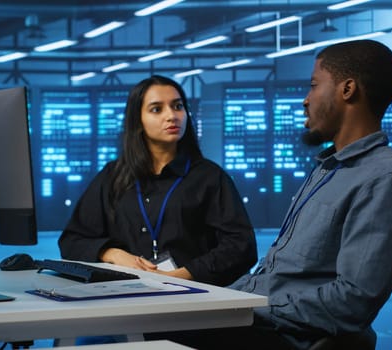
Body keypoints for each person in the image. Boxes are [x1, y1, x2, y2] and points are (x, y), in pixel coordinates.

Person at [146, 40, 392, 349]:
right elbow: (279, 274)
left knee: (147, 332)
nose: (305, 100)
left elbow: (352, 302)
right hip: (259, 317)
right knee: (145, 321)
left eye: (313, 85)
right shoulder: (328, 169)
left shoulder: (384, 181)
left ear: (347, 89)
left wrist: (246, 308)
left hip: (286, 336)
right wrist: (222, 299)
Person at [58, 74, 257, 287]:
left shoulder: (209, 177)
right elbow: (72, 241)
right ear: (138, 120)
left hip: (191, 297)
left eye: (178, 106)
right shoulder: (113, 176)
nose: (172, 116)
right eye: (156, 109)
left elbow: (241, 247)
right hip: (120, 296)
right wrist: (112, 253)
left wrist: (186, 275)